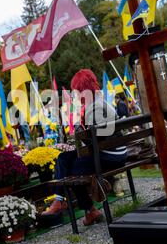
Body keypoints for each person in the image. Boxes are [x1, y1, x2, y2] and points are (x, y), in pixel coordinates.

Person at [42, 69, 128, 226]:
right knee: (63, 159)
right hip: (118, 153)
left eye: (76, 91)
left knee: (71, 173)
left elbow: (92, 142)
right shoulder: (101, 102)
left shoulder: (92, 108)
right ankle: (62, 201)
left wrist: (79, 130)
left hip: (107, 156)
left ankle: (83, 209)